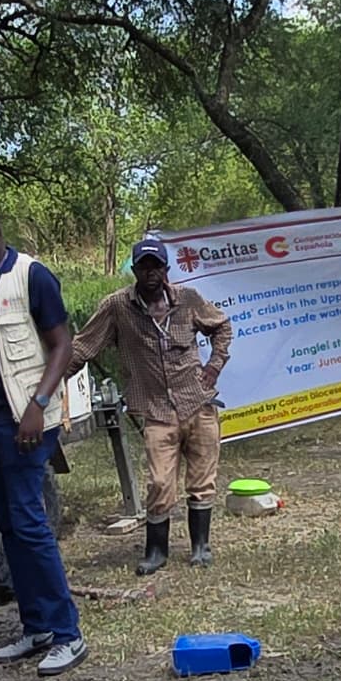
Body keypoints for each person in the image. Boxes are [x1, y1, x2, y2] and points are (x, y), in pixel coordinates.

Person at [0, 201, 87, 677]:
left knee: (29, 525)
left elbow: (62, 345)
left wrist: (38, 405)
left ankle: (68, 634)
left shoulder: (31, 276)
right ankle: (37, 627)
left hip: (24, 424)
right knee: (7, 527)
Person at [68, 236, 232, 575]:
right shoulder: (117, 307)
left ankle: (200, 547)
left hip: (197, 404)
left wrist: (214, 366)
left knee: (202, 479)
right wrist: (50, 381)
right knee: (159, 482)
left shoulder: (188, 299)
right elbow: (83, 347)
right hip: (156, 411)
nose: (150, 273)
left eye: (156, 266)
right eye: (143, 267)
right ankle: (156, 551)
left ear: (166, 269)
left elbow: (221, 326)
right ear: (134, 271)